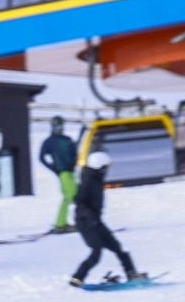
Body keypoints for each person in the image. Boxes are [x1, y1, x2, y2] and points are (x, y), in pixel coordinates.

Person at [69, 150, 146, 287]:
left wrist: (95, 219)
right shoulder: (88, 181)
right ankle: (77, 278)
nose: (108, 170)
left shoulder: (95, 178)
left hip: (96, 221)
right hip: (85, 223)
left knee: (117, 247)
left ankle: (131, 273)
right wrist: (90, 218)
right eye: (106, 167)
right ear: (100, 167)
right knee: (96, 251)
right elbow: (79, 202)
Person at [38, 115, 79, 234]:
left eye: (61, 125)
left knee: (67, 198)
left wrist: (74, 162)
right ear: (52, 127)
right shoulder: (49, 141)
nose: (59, 128)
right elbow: (41, 157)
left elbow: (75, 153)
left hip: (71, 172)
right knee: (74, 197)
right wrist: (54, 168)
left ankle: (60, 223)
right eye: (56, 126)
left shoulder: (67, 139)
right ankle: (83, 221)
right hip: (63, 172)